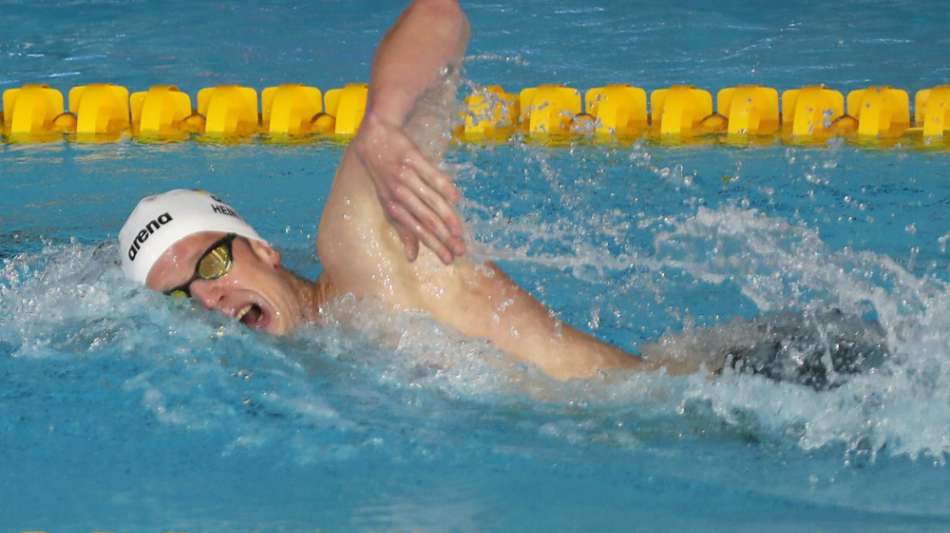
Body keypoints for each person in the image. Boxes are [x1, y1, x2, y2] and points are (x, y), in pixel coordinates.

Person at [119, 0, 886, 385]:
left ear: (257, 245)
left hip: (747, 384)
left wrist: (382, 128)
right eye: (181, 296)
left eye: (210, 265)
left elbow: (439, 15)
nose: (209, 299)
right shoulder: (321, 365)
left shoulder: (358, 251)